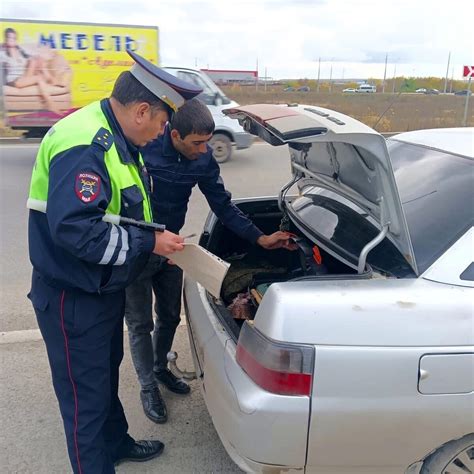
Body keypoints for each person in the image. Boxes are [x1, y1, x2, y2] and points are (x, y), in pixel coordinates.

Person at [26, 51, 202, 473]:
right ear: (142, 110)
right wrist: (149, 243)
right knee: (84, 400)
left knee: (104, 377)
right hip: (72, 295)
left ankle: (116, 444)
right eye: (162, 122)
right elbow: (76, 231)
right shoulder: (87, 144)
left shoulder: (115, 133)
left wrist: (154, 237)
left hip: (101, 288)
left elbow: (118, 212)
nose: (163, 133)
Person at [125, 98, 296, 424]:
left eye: (207, 142)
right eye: (197, 143)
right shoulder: (143, 151)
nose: (204, 150)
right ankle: (148, 386)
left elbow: (223, 206)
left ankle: (160, 368)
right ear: (174, 135)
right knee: (139, 324)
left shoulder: (201, 161)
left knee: (170, 317)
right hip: (137, 251)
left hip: (174, 251)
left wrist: (260, 237)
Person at [1, 27, 63, 114]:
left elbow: (31, 57)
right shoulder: (3, 53)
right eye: (10, 38)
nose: (12, 40)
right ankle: (50, 103)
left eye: (14, 38)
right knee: (38, 78)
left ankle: (52, 80)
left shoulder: (20, 50)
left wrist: (37, 60)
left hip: (23, 76)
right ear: (6, 39)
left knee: (36, 59)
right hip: (14, 80)